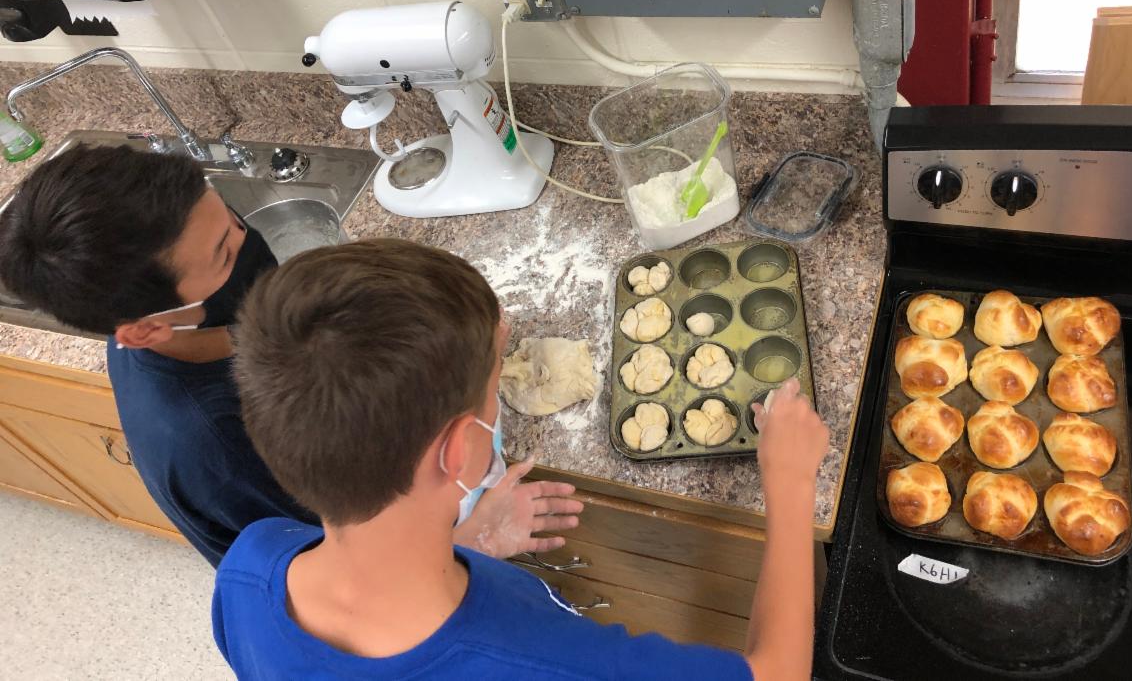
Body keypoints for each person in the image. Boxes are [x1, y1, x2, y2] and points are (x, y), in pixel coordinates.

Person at [216, 238, 830, 679]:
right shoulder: (558, 661)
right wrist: (790, 482)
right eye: (494, 387)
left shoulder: (249, 568)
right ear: (459, 449)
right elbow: (777, 672)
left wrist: (470, 543)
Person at [0, 146, 579, 568]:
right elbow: (344, 574)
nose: (248, 242)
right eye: (225, 254)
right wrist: (476, 538)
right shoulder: (216, 448)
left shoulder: (179, 320)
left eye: (232, 218)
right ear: (147, 331)